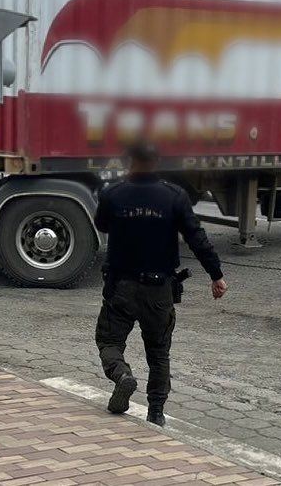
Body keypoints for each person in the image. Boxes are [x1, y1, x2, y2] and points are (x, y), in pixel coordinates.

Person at [94, 141, 228, 427]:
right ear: (157, 162)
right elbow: (197, 238)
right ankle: (155, 412)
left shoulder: (113, 194)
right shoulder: (174, 196)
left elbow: (102, 224)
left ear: (129, 161)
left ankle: (122, 375)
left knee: (108, 341)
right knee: (158, 352)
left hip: (121, 287)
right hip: (159, 290)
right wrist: (216, 275)